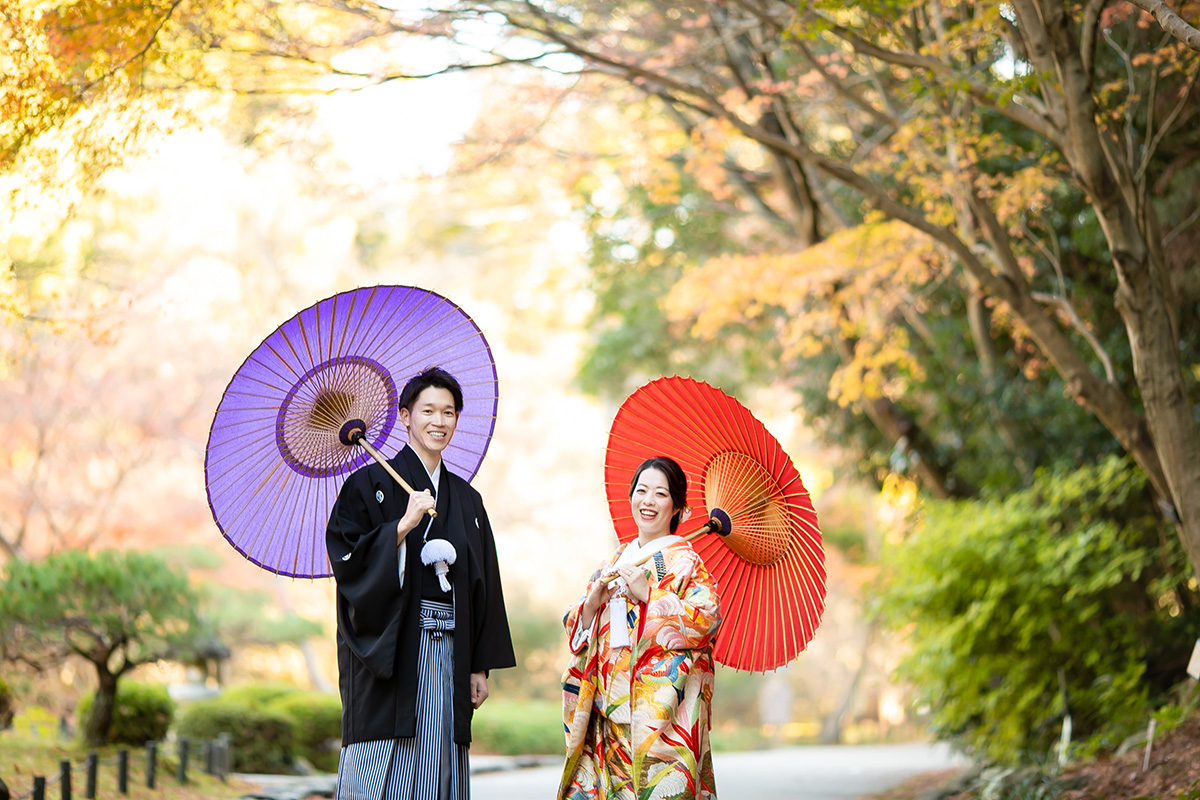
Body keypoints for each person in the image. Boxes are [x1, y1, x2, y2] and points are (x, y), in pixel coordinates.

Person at [326, 366, 515, 800]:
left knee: (440, 767)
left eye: (448, 412)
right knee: (381, 770)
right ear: (405, 415)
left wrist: (479, 665)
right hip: (391, 655)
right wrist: (401, 527)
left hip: (450, 653)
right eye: (427, 410)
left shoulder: (467, 500)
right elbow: (347, 561)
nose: (439, 421)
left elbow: (484, 584)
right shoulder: (366, 485)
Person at [558, 456, 722, 800]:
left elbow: (706, 621)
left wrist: (650, 594)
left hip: (658, 718)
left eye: (660, 494)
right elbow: (578, 630)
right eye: (641, 490)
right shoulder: (614, 560)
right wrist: (591, 604)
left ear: (679, 507)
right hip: (606, 711)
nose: (648, 501)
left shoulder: (687, 562)